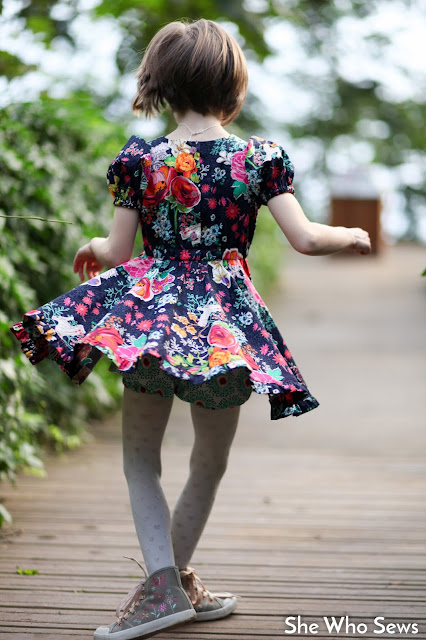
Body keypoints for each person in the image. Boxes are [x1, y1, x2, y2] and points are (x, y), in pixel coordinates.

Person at [10, 18, 371, 640]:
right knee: (209, 460)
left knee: (139, 458)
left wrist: (96, 243)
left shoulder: (143, 160)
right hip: (225, 328)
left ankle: (165, 588)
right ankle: (171, 588)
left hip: (148, 321)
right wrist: (357, 235)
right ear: (233, 85)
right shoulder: (258, 159)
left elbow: (121, 253)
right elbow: (308, 239)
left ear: (162, 85)